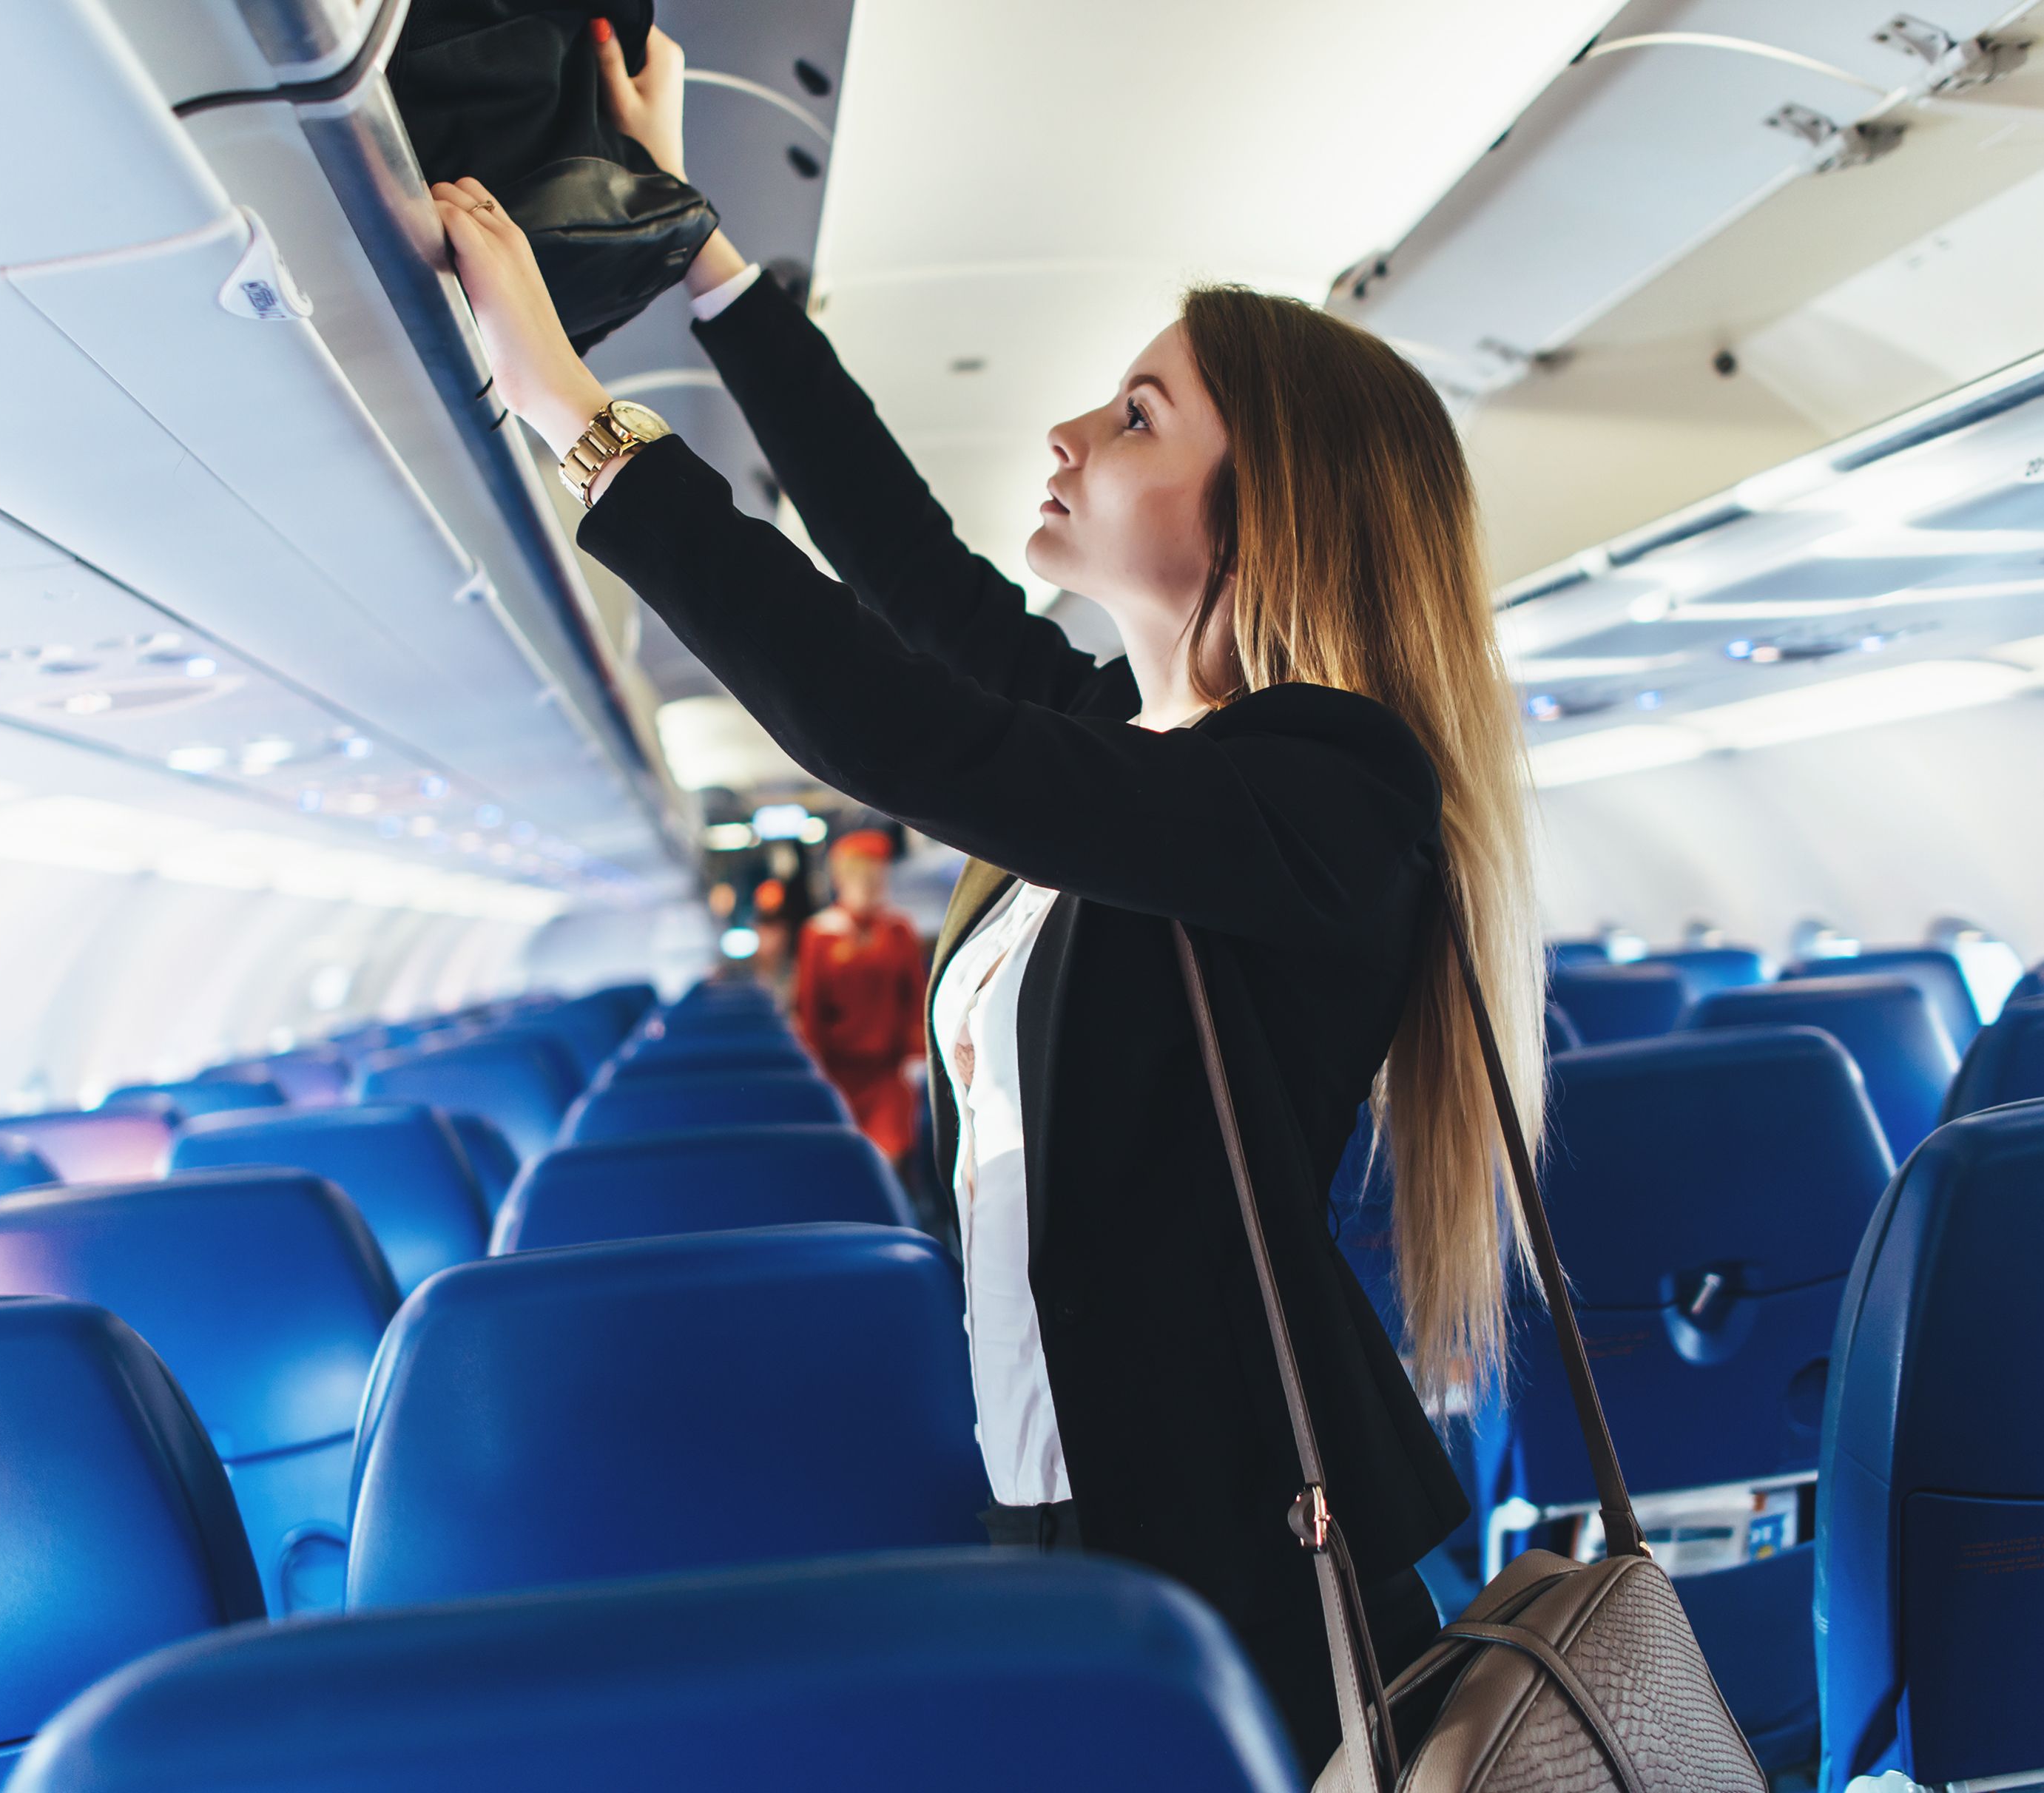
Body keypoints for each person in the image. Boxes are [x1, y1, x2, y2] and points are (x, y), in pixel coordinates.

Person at [431, 22, 1543, 1772]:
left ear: (1271, 508)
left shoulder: (1332, 794)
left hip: (1243, 1536)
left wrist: (577, 415)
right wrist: (701, 255)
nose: (1070, 428)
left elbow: (901, 729)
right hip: (1053, 1490)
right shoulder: (1147, 749)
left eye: (1137, 413)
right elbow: (911, 583)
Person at [791, 829, 928, 1163]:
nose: (873, 886)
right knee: (848, 1160)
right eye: (864, 878)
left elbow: (915, 997)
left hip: (889, 1073)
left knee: (892, 1157)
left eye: (877, 877)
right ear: (842, 881)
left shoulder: (898, 931)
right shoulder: (820, 934)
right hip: (839, 1073)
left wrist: (917, 1055)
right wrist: (816, 1074)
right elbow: (810, 1008)